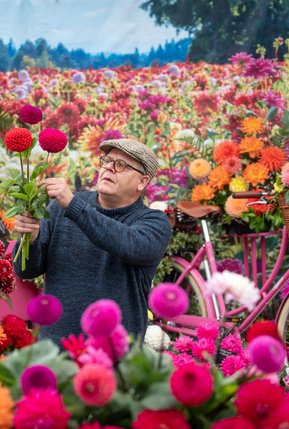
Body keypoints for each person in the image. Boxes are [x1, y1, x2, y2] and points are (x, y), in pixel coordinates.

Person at [12, 138, 172, 344]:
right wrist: (30, 240)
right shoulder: (59, 208)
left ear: (142, 181)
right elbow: (25, 270)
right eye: (106, 161)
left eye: (121, 165)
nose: (109, 169)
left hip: (115, 354)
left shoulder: (154, 222)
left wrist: (73, 205)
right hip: (57, 347)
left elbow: (128, 244)